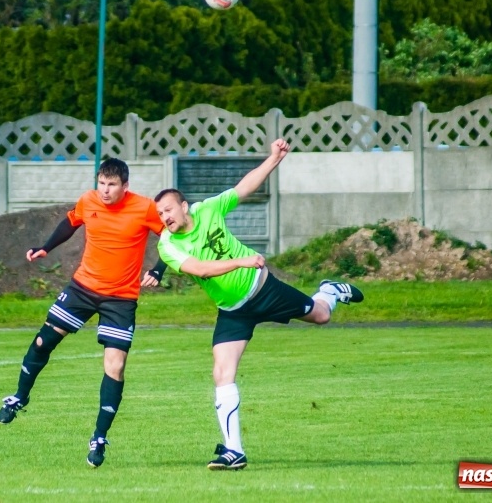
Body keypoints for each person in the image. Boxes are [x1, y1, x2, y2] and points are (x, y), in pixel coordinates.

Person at [153, 138, 364, 471]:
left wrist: (273, 159)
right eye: (159, 214)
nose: (164, 217)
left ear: (184, 206)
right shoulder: (168, 245)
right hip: (233, 310)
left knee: (321, 315)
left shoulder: (208, 209)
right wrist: (241, 261)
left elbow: (243, 188)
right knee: (221, 371)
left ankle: (330, 291)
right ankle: (234, 451)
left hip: (263, 290)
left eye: (168, 210)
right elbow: (202, 269)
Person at [0, 157, 166, 469]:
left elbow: (171, 236)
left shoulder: (144, 208)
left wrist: (159, 269)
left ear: (125, 186)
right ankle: (19, 396)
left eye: (112, 184)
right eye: (101, 183)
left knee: (115, 367)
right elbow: (71, 222)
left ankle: (99, 437)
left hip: (120, 300)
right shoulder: (88, 201)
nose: (104, 190)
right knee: (42, 341)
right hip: (82, 289)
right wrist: (46, 247)